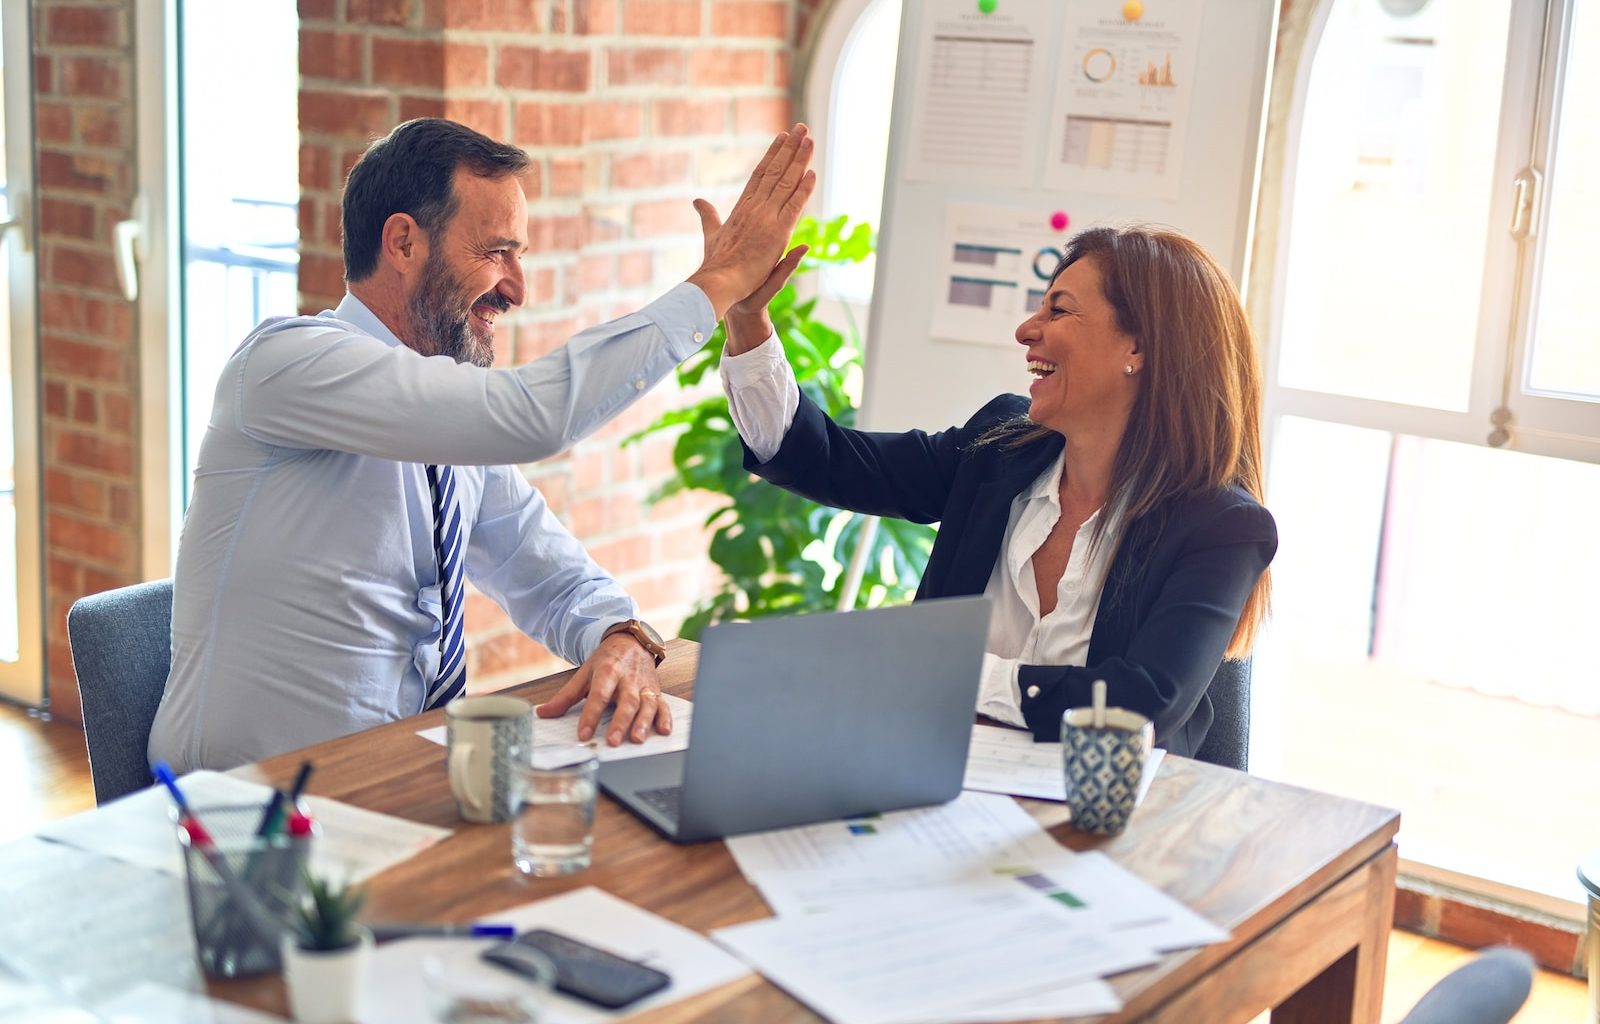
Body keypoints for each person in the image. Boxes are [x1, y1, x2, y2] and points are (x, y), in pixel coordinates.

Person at [149, 118, 814, 771]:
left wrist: (621, 635)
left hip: (396, 785)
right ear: (404, 243)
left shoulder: (447, 425)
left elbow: (549, 573)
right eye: (498, 251)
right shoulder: (287, 364)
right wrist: (718, 283)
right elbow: (534, 416)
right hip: (243, 813)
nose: (517, 288)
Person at [719, 225, 1276, 757]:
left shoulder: (1221, 527)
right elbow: (825, 460)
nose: (1027, 330)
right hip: (933, 781)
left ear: (1139, 348)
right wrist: (748, 318)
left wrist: (949, 672)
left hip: (1106, 824)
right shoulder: (999, 449)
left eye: (1058, 309)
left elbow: (1138, 707)